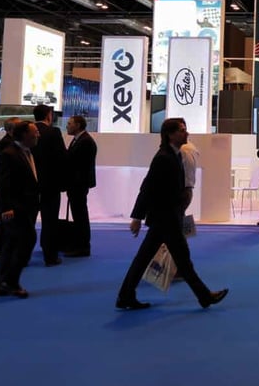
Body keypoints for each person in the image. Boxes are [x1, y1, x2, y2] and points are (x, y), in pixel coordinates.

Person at [116, 118, 228, 310]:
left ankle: (126, 296)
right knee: (182, 260)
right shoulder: (164, 158)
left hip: (165, 218)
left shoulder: (173, 155)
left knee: (148, 258)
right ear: (170, 134)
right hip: (166, 219)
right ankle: (204, 296)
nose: (186, 133)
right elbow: (147, 188)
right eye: (182, 130)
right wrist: (137, 217)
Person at [0, 121, 40, 298]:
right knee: (26, 240)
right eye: (35, 132)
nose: (38, 135)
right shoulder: (9, 154)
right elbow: (1, 183)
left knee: (11, 244)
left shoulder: (26, 152)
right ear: (24, 135)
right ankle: (10, 282)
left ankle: (3, 283)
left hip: (24, 206)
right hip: (14, 208)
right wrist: (7, 207)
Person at [31, 104, 67, 266]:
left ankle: (22, 256)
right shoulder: (54, 132)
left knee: (27, 220)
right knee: (50, 221)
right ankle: (50, 256)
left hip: (30, 183)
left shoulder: (26, 130)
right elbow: (61, 158)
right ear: (49, 115)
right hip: (50, 184)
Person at [64, 115, 97, 257]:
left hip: (78, 184)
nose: (67, 126)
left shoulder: (85, 141)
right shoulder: (79, 140)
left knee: (80, 215)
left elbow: (77, 164)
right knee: (78, 214)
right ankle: (79, 244)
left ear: (77, 125)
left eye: (69, 123)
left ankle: (83, 246)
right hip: (76, 184)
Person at [0, 117, 20, 259]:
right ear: (11, 129)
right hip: (7, 192)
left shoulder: (9, 142)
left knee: (5, 223)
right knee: (5, 223)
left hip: (7, 191)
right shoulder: (7, 144)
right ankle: (1, 251)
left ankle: (1, 250)